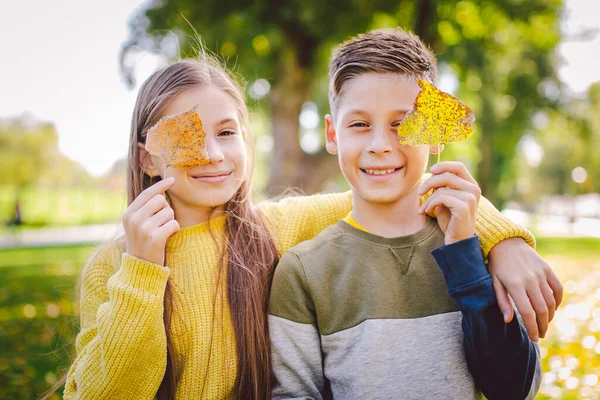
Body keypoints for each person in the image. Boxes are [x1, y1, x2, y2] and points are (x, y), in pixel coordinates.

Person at [61, 53, 557, 399]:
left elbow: (401, 189)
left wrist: (505, 240)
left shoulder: (269, 230)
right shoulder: (115, 265)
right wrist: (143, 273)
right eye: (185, 135)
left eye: (227, 132)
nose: (212, 154)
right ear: (147, 157)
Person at [269, 28, 543, 399]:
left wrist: (466, 259)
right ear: (333, 135)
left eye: (401, 124)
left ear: (435, 132)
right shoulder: (302, 272)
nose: (381, 145)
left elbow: (515, 389)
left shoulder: (483, 253)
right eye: (360, 124)